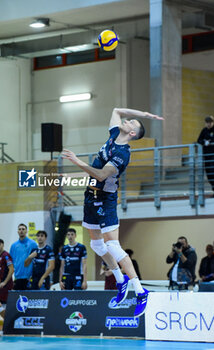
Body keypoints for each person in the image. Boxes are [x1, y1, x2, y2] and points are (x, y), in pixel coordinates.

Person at [62, 107, 163, 317]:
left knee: (113, 246)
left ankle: (141, 292)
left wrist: (77, 161)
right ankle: (120, 281)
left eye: (132, 122)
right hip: (90, 195)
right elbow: (117, 109)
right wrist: (146, 115)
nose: (127, 120)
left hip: (106, 199)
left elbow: (100, 174)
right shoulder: (116, 132)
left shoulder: (122, 154)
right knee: (95, 244)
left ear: (132, 133)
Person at [197, 116, 214, 197]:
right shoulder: (204, 130)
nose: (209, 124)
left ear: (213, 122)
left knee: (213, 173)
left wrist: (209, 141)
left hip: (213, 155)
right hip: (207, 156)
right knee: (209, 175)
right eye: (207, 122)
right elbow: (199, 140)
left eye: (210, 122)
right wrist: (205, 142)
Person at [10, 223, 38, 290]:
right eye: (19, 229)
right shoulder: (13, 246)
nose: (21, 231)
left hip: (29, 277)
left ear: (26, 231)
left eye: (23, 229)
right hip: (18, 277)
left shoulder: (33, 244)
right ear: (17, 232)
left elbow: (36, 260)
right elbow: (11, 262)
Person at [0, 239, 14, 318]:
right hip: (2, 284)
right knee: (2, 304)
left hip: (7, 285)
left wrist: (5, 282)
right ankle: (9, 322)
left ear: (3, 245)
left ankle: (8, 322)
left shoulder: (6, 255)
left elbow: (11, 269)